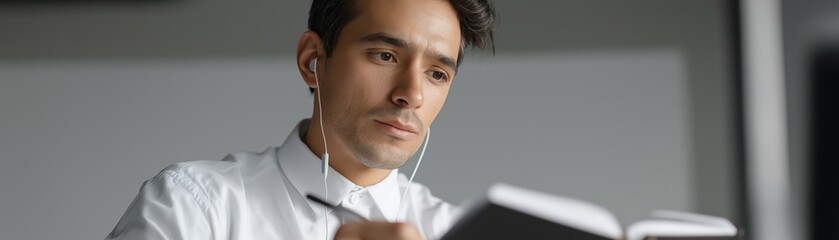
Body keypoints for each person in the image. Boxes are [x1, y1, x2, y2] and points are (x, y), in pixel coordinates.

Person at [105, 0, 495, 239]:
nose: (411, 94)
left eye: (437, 74)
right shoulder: (193, 204)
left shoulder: (461, 233)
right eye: (385, 56)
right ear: (312, 59)